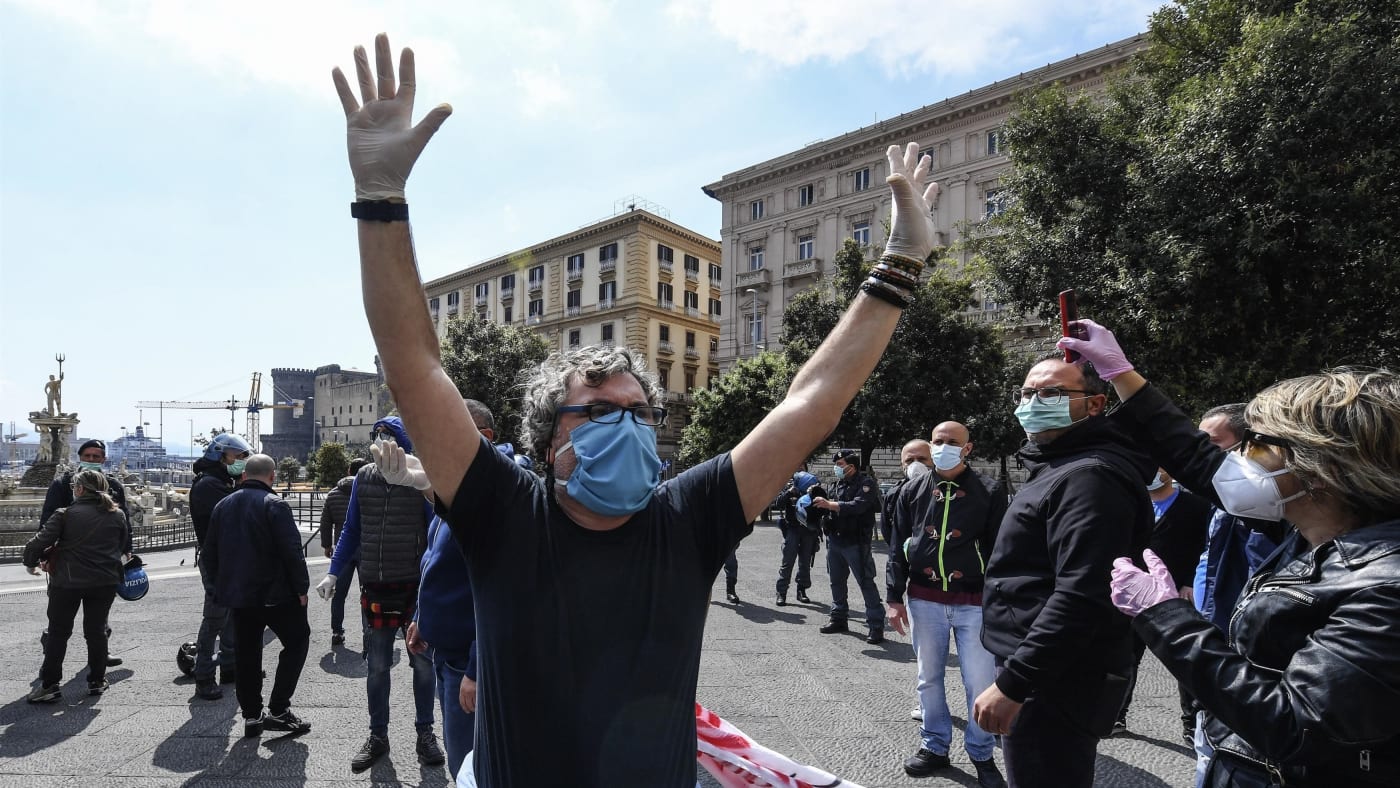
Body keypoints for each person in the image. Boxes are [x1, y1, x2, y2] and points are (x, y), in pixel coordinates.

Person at [331, 32, 940, 787]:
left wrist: (900, 263)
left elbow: (811, 401)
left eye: (639, 412)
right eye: (597, 410)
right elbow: (414, 364)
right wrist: (381, 201)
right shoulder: (504, 516)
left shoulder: (687, 520)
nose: (626, 422)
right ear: (548, 440)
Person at [1063, 322, 1400, 787]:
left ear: (1321, 463)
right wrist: (1121, 372)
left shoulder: (1385, 587)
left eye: (1256, 445)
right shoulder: (1311, 524)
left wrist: (1167, 618)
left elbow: (1296, 724)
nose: (1240, 460)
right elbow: (1200, 461)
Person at [972, 355, 1155, 788]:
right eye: (1027, 393)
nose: (1033, 402)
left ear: (1094, 405)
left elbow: (1082, 594)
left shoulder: (1090, 476)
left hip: (1056, 680)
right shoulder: (1060, 465)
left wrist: (1016, 683)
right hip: (1042, 667)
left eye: (1051, 392)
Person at [316, 416, 443, 772]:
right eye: (378, 438)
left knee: (422, 663)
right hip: (374, 583)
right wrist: (332, 573)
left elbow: (437, 529)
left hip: (414, 586)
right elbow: (351, 530)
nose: (383, 444)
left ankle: (425, 733)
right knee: (376, 666)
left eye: (390, 438)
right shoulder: (363, 480)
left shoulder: (418, 479)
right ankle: (377, 735)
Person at [886, 422, 1006, 786]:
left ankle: (982, 753)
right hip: (924, 598)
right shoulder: (913, 490)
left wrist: (1000, 599)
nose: (943, 447)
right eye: (938, 441)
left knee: (980, 681)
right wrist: (894, 598)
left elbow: (1002, 549)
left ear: (967, 449)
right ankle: (935, 746)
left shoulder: (989, 489)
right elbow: (897, 546)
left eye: (952, 442)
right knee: (928, 679)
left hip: (974, 600)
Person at [406, 400, 492, 778]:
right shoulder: (455, 492)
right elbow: (436, 564)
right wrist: (421, 619)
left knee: (466, 764)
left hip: (465, 661)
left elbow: (495, 593)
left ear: (484, 438)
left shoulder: (491, 495)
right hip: (446, 653)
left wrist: (477, 668)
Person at [203, 454, 313, 737]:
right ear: (272, 476)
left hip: (240, 597)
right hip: (276, 594)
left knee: (247, 653)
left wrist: (217, 589)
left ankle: (251, 715)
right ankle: (279, 708)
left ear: (243, 476)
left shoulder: (222, 505)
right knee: (297, 642)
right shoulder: (275, 505)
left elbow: (209, 554)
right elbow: (292, 552)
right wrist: (301, 589)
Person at [1112, 467, 1211, 739]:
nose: (1154, 472)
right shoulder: (1132, 504)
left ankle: (1191, 724)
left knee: (1184, 659)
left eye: (1159, 467)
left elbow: (1206, 546)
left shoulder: (1196, 506)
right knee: (1126, 657)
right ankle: (1117, 716)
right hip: (1136, 597)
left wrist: (1191, 581)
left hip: (1178, 596)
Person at [23, 468, 129, 702]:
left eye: (74, 487)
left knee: (58, 633)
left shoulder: (65, 514)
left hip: (67, 582)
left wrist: (30, 562)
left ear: (80, 489)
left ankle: (50, 686)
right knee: (97, 631)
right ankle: (97, 681)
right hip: (104, 582)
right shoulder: (117, 515)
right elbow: (121, 545)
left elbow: (37, 543)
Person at [39, 438, 131, 669]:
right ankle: (49, 656)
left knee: (99, 618)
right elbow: (47, 518)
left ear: (104, 459)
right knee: (59, 617)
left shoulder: (113, 485)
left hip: (102, 562)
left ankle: (101, 654)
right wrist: (45, 553)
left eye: (96, 457)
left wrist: (127, 550)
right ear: (79, 458)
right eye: (87, 456)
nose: (91, 460)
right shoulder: (63, 484)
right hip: (65, 561)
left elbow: (124, 521)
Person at [189, 432, 252, 700]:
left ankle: (229, 668)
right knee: (214, 618)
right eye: (237, 457)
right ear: (220, 454)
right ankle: (203, 677)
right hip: (217, 559)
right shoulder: (209, 485)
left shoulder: (221, 481)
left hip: (230, 557)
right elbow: (232, 514)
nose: (240, 461)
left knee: (232, 617)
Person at [813, 449, 886, 644]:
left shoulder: (866, 484)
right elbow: (827, 508)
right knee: (836, 582)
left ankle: (876, 626)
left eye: (840, 465)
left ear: (852, 466)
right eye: (836, 465)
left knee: (866, 583)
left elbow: (857, 506)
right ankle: (838, 618)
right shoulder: (836, 485)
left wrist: (830, 505)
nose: (837, 468)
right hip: (835, 541)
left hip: (856, 543)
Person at [319, 457, 368, 645]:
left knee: (339, 593)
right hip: (367, 548)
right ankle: (368, 632)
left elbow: (325, 522)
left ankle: (337, 632)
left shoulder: (333, 494)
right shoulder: (369, 492)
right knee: (368, 592)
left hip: (343, 548)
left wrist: (327, 545)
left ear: (349, 471)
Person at [774, 471, 822, 606]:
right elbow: (778, 504)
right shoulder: (790, 490)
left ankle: (802, 590)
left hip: (809, 532)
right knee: (787, 562)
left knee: (805, 563)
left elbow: (822, 509)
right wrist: (789, 493)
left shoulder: (814, 492)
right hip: (792, 530)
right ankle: (781, 593)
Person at [882, 439, 931, 545]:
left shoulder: (945, 491)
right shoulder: (894, 494)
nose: (916, 465)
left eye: (922, 459)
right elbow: (887, 530)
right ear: (902, 465)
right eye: (909, 460)